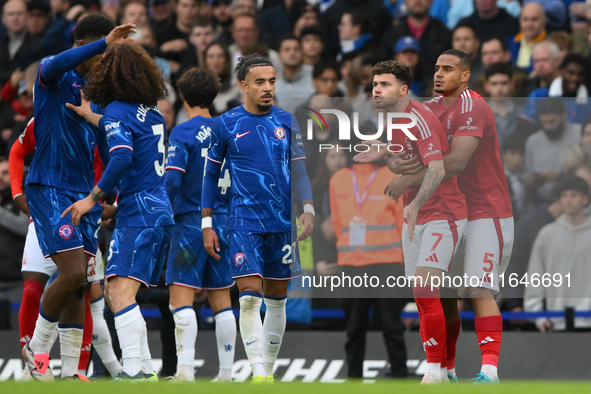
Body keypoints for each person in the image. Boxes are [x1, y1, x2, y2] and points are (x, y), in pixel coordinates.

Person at [388, 49, 514, 383]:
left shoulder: (475, 107)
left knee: (478, 288)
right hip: (450, 212)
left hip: (487, 211)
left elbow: (455, 163)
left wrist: (408, 178)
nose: (439, 74)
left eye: (448, 68)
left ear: (465, 75)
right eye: (436, 68)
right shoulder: (426, 109)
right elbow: (402, 152)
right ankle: (447, 371)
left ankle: (490, 372)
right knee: (442, 293)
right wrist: (395, 162)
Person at [21, 15, 135, 381]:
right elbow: (54, 63)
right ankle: (37, 350)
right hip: (50, 187)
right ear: (85, 45)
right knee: (70, 273)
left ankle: (71, 372)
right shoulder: (52, 74)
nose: (105, 60)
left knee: (80, 287)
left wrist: (105, 194)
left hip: (84, 193)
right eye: (102, 51)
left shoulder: (97, 91)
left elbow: (103, 144)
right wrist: (105, 43)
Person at [63, 43, 174, 381]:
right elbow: (131, 140)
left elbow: (123, 156)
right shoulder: (151, 111)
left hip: (139, 211)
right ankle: (144, 370)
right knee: (121, 292)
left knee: (119, 293)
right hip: (160, 210)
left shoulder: (116, 114)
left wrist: (91, 199)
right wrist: (92, 117)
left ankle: (134, 370)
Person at [201, 54, 314, 383]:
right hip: (243, 222)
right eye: (260, 82)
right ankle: (259, 372)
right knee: (249, 297)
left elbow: (300, 170)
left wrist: (307, 207)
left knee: (277, 301)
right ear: (244, 85)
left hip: (282, 223)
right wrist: (207, 223)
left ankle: (267, 369)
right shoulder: (225, 124)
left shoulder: (287, 121)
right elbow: (210, 177)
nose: (267, 88)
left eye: (272, 81)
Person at [354, 60, 468, 384]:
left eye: (385, 84)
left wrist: (415, 200)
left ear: (403, 90)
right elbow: (405, 160)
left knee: (425, 289)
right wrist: (384, 151)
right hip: (416, 215)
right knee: (437, 297)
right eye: (375, 84)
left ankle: (432, 371)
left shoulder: (420, 118)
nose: (377, 89)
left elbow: (438, 168)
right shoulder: (393, 120)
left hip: (443, 213)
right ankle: (447, 370)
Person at [9, 118, 123, 379]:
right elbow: (17, 150)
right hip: (45, 212)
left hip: (84, 217)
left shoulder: (99, 120)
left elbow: (117, 166)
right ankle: (34, 365)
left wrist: (111, 205)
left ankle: (75, 371)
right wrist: (17, 194)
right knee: (31, 291)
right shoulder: (45, 115)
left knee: (80, 291)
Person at [164, 67, 236, 382]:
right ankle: (226, 373)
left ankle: (185, 371)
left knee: (181, 299)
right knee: (222, 299)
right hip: (224, 221)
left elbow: (171, 181)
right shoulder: (229, 130)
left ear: (183, 96)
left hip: (191, 220)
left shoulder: (182, 132)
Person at [329, 158, 408, 379]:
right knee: (360, 326)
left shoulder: (391, 176)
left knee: (387, 326)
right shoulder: (339, 178)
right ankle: (367, 377)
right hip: (361, 263)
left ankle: (396, 375)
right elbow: (337, 220)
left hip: (384, 262)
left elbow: (402, 219)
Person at [524, 176, 591, 331]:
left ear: (585, 199)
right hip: (557, 324)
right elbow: (535, 278)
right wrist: (538, 317)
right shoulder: (547, 235)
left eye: (574, 195)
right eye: (564, 195)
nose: (568, 200)